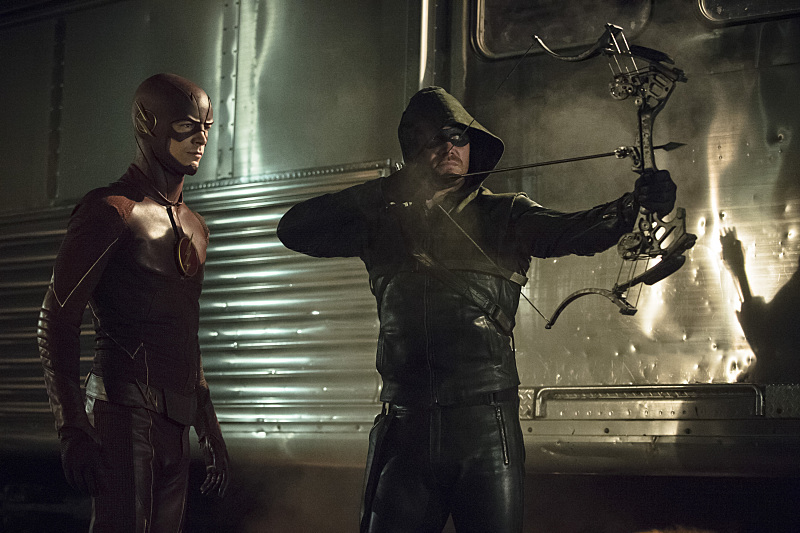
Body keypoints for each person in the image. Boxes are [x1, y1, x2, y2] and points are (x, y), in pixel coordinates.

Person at [277, 86, 677, 533]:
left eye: (460, 137)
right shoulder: (383, 223)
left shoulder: (506, 214)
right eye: (436, 138)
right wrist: (387, 188)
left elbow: (572, 231)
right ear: (412, 148)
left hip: (485, 431)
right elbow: (293, 229)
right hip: (406, 428)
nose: (451, 146)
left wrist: (633, 206)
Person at [38, 73, 230, 532]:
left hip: (174, 421)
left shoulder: (195, 227)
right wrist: (72, 425)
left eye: (206, 126)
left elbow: (185, 333)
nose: (201, 138)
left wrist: (208, 425)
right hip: (122, 413)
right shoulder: (110, 211)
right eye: (185, 126)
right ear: (148, 123)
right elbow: (57, 320)